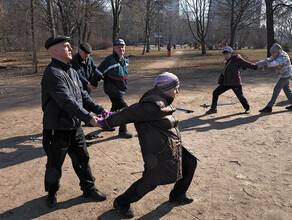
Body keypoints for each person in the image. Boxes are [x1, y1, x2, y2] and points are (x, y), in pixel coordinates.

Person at [97, 72, 197, 218]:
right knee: (151, 181)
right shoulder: (153, 104)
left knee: (190, 163)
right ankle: (122, 202)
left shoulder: (162, 99)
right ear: (166, 88)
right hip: (159, 151)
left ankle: (178, 195)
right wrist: (104, 121)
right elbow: (129, 113)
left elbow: (132, 109)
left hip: (171, 145)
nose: (178, 91)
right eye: (176, 88)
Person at [41, 36, 109, 208]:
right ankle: (52, 192)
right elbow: (66, 101)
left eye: (70, 46)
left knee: (82, 159)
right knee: (55, 164)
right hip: (57, 129)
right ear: (55, 51)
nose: (71, 48)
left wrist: (101, 110)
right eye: (66, 46)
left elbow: (83, 96)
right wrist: (89, 118)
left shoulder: (71, 71)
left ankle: (89, 189)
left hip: (74, 127)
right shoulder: (52, 73)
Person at [92, 39, 133, 138]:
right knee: (124, 109)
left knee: (115, 108)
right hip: (112, 89)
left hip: (121, 89)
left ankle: (106, 124)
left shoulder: (126, 60)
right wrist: (94, 83)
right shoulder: (110, 60)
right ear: (114, 48)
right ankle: (123, 130)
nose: (121, 49)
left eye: (122, 46)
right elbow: (98, 71)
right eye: (118, 47)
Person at [206, 46, 258, 114]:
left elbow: (246, 63)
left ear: (231, 53)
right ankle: (213, 109)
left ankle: (247, 108)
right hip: (226, 82)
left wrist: (256, 66)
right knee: (215, 93)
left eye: (227, 53)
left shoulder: (237, 58)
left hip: (235, 82)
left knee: (240, 96)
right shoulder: (227, 60)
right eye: (224, 54)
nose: (226, 55)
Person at [256, 43, 292, 113]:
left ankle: (269, 107)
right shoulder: (275, 55)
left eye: (273, 53)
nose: (272, 55)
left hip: (286, 75)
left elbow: (276, 63)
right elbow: (268, 60)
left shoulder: (283, 56)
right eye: (271, 53)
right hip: (283, 75)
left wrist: (267, 66)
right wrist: (256, 64)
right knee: (287, 90)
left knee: (276, 89)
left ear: (277, 52)